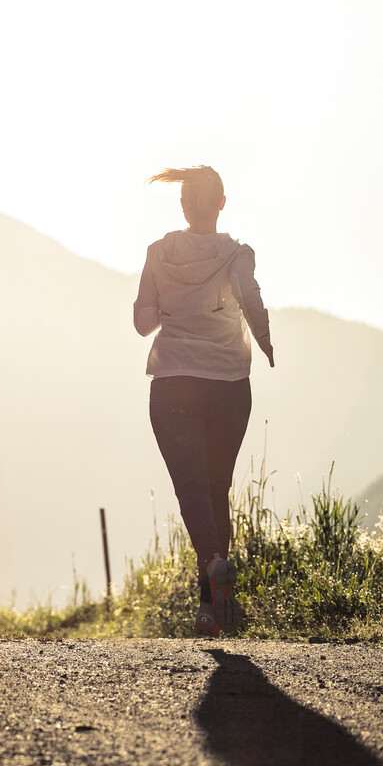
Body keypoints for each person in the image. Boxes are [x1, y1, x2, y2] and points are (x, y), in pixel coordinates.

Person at [133, 166, 273, 636]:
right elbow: (250, 298)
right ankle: (212, 608)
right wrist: (266, 340)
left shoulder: (158, 254)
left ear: (183, 205)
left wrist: (173, 306)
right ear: (222, 203)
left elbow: (142, 322)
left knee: (192, 489)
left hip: (173, 381)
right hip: (230, 384)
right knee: (217, 489)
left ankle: (212, 570)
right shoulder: (238, 254)